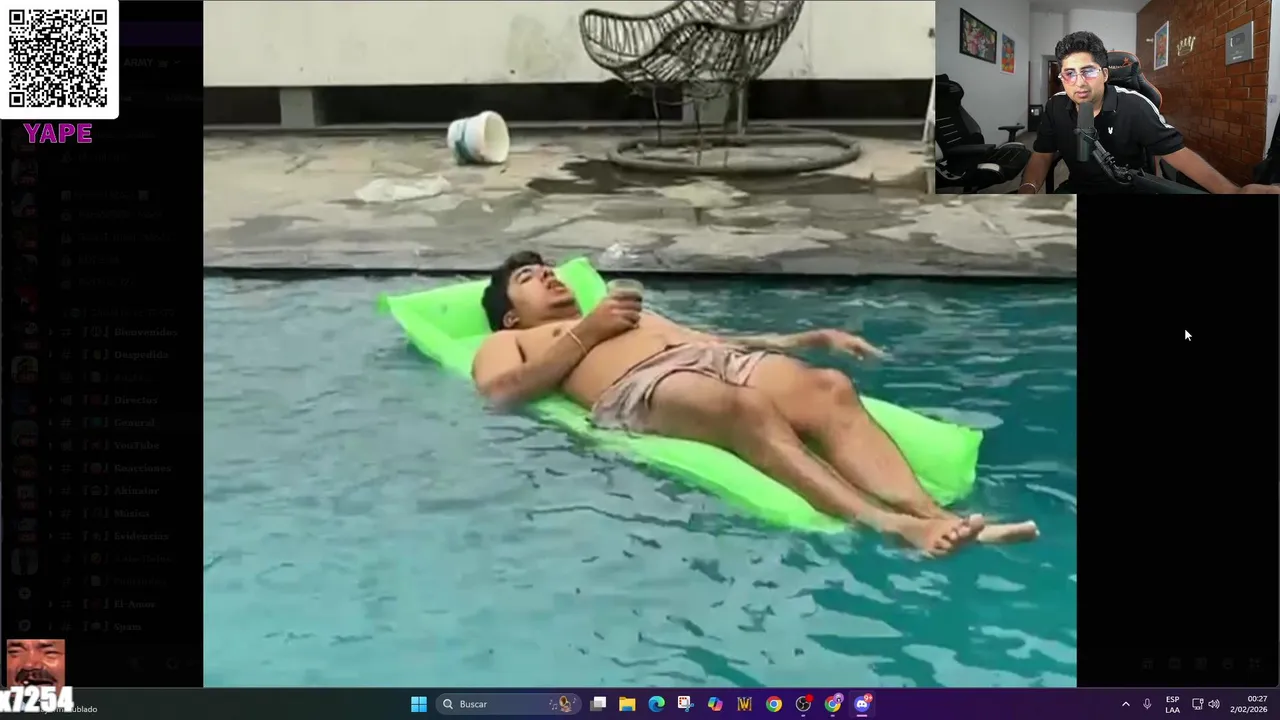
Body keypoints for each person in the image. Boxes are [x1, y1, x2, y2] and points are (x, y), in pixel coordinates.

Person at [471, 252, 1040, 556]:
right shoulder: (512, 340)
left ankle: (937, 516)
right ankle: (891, 525)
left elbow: (712, 339)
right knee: (743, 408)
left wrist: (807, 339)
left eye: (549, 269)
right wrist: (587, 333)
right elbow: (499, 394)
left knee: (830, 388)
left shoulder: (620, 311)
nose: (550, 276)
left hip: (708, 360)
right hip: (641, 386)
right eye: (530, 276)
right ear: (511, 314)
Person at [1020, 31, 1280, 194]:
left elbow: (1178, 154)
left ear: (1105, 74)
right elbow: (1042, 155)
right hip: (1078, 190)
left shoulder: (1135, 105)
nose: (1079, 82)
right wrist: (1028, 190)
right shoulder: (1055, 106)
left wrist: (1232, 192)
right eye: (1069, 73)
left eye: (1088, 71)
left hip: (1129, 189)